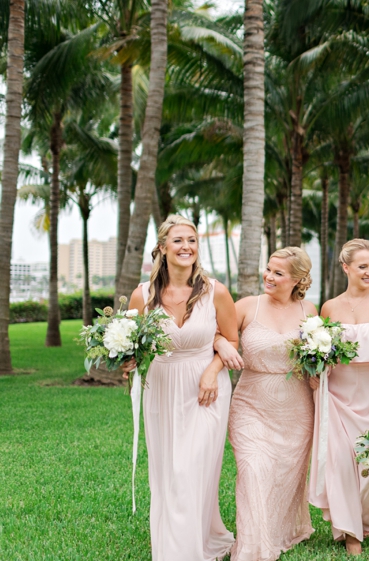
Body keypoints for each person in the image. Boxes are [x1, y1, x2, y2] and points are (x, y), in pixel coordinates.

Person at [126, 215, 240, 561]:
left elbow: (232, 339)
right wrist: (127, 360)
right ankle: (185, 544)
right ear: (162, 247)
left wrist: (212, 370)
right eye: (178, 240)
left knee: (191, 470)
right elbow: (134, 347)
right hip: (161, 388)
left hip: (207, 390)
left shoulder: (216, 291)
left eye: (191, 240)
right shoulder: (142, 296)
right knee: (169, 472)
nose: (186, 247)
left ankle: (187, 550)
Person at [309, 239, 369, 556]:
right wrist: (314, 374)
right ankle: (350, 533)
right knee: (340, 464)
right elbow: (321, 352)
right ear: (346, 267)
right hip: (337, 394)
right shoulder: (329, 307)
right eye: (362, 266)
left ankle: (363, 519)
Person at [227, 247, 316, 561]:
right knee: (253, 470)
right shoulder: (246, 306)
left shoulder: (309, 311)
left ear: (297, 280)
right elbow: (217, 335)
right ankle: (253, 548)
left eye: (278, 273)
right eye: (268, 269)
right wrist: (224, 345)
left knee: (284, 476)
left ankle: (275, 532)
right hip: (250, 404)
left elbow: (317, 357)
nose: (268, 276)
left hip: (297, 408)